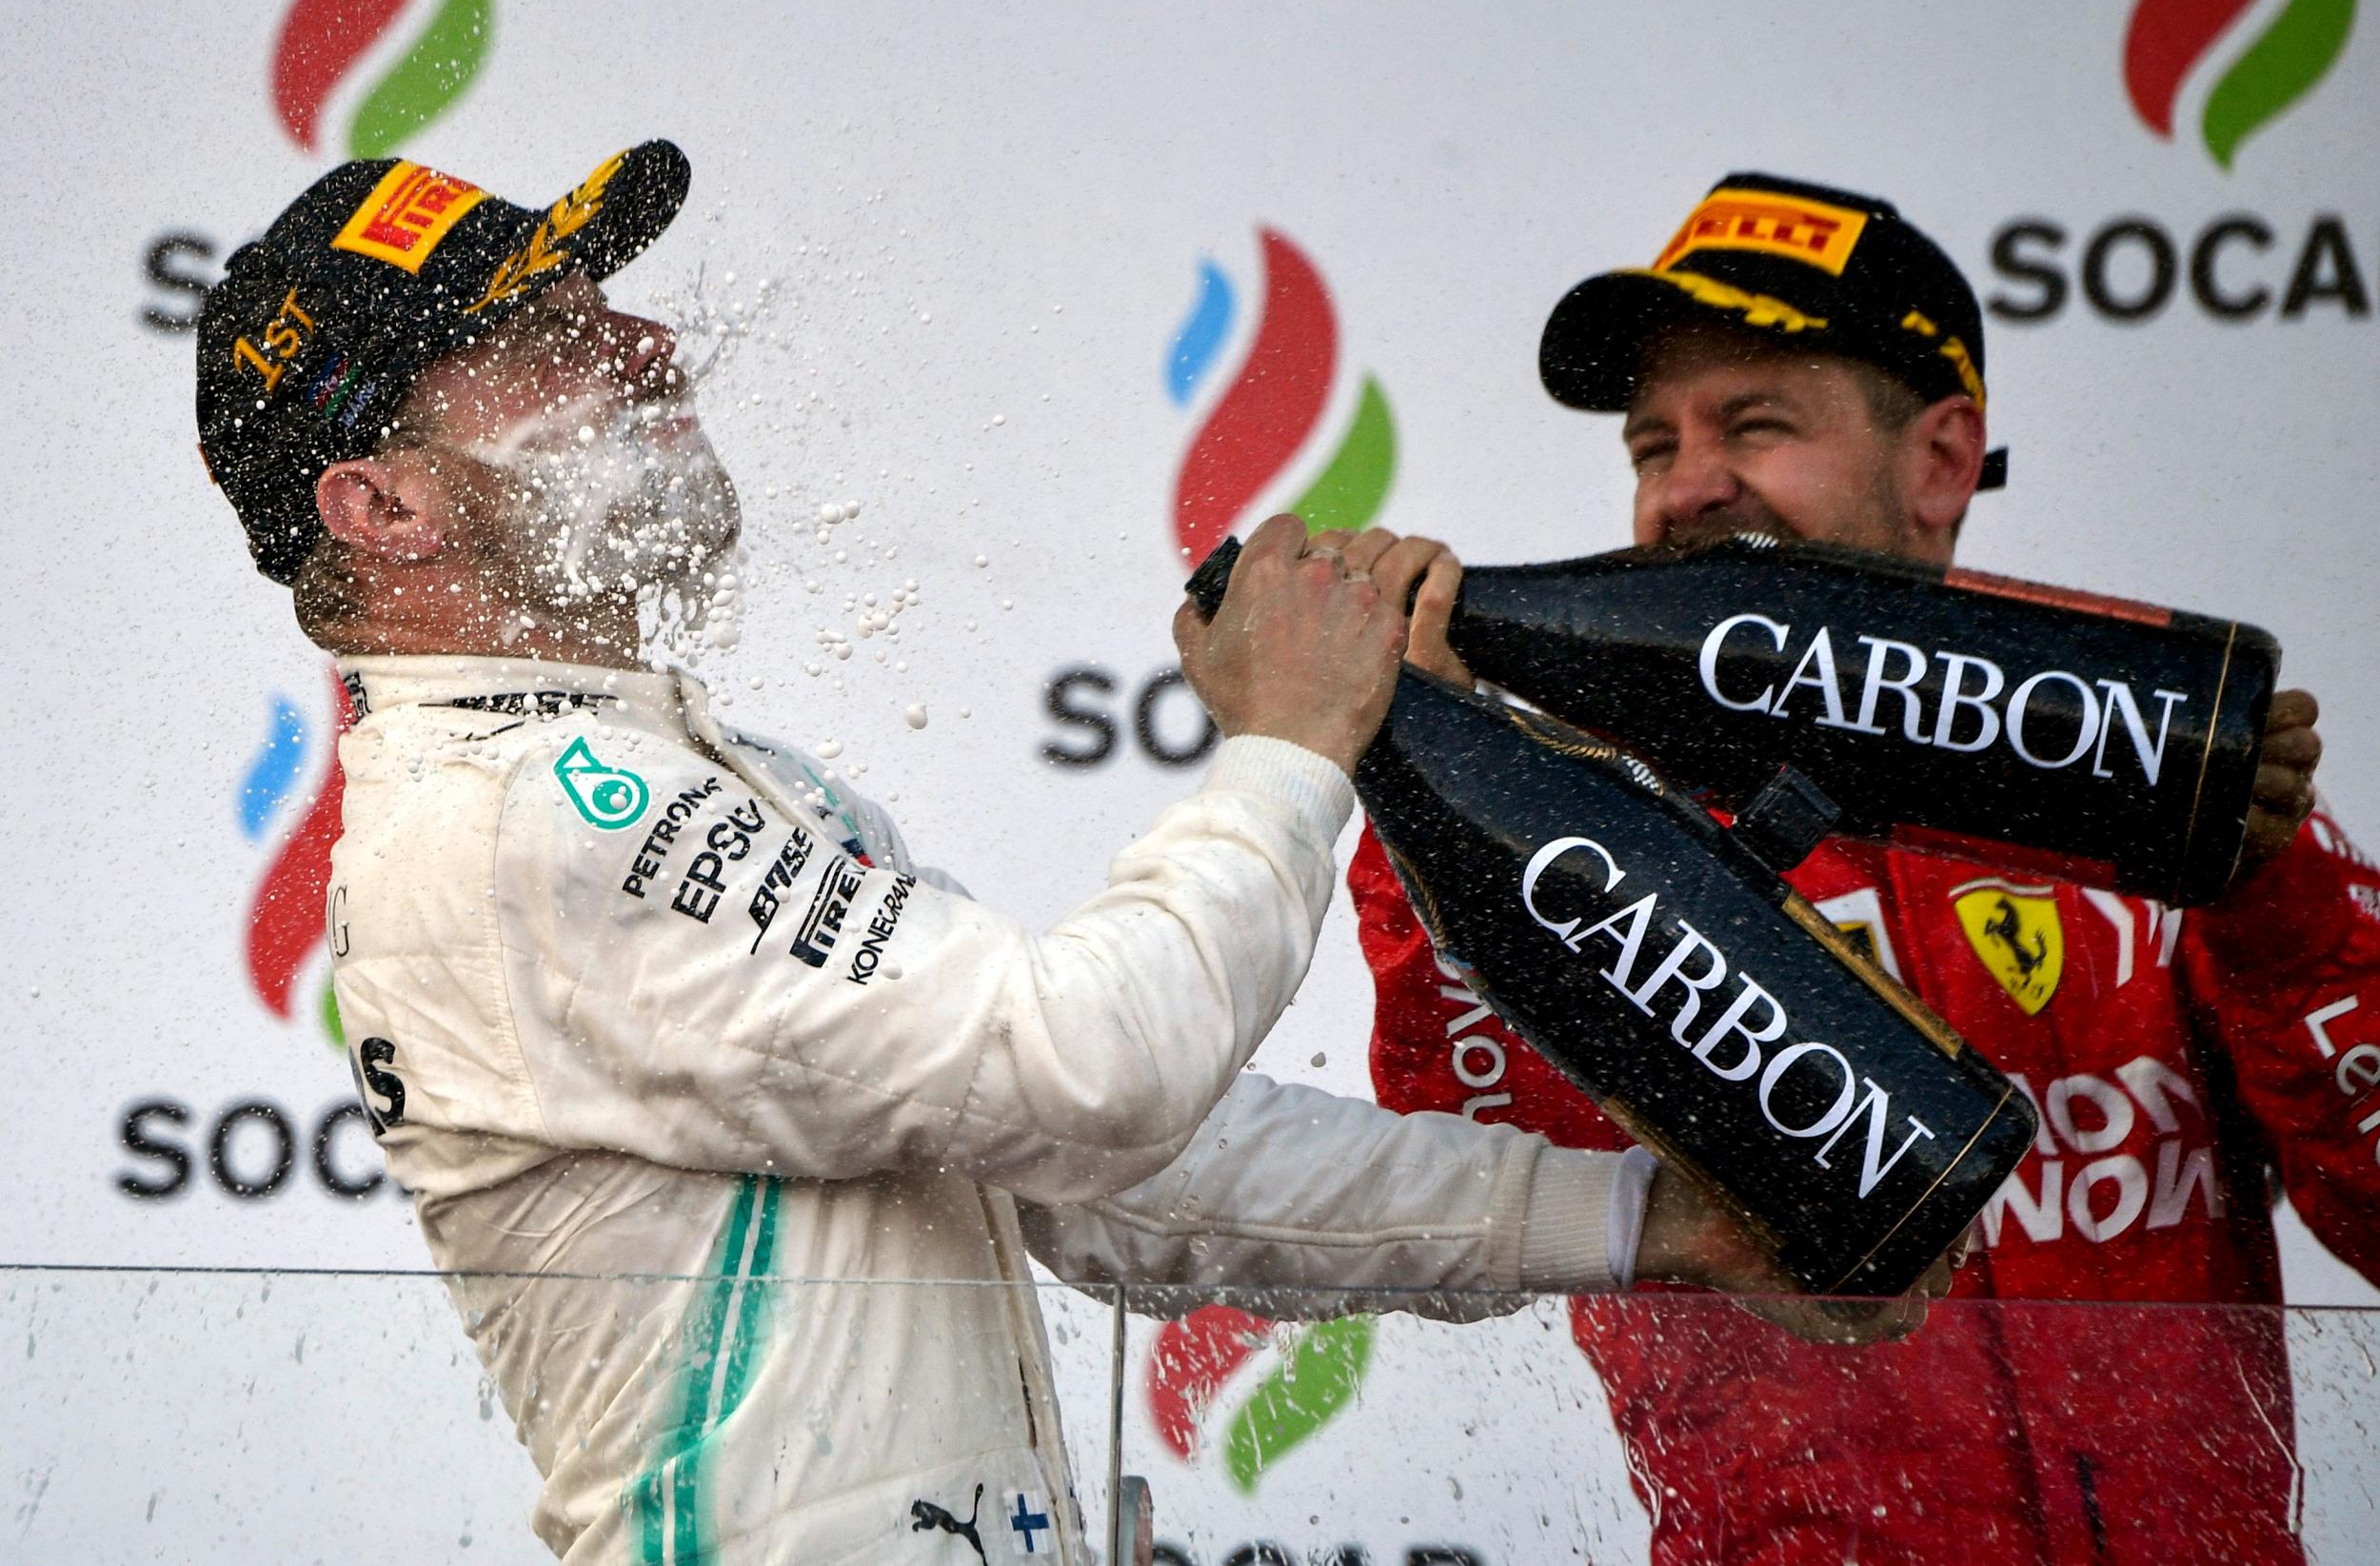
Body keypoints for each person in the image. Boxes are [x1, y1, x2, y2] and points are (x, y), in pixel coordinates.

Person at [191, 143, 1864, 1565]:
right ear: (384, 509)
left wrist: (1649, 1220)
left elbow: (1125, 1172)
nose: (643, 342)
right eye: (551, 335)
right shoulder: (523, 813)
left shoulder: (659, 768)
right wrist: (1292, 744)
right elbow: (1099, 1073)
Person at [1343, 172, 2380, 1564]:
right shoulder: (1567, 818)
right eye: (1653, 445)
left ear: (1942, 458)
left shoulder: (2163, 775)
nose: (1686, 485)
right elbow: (1489, 1187)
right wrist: (1426, 791)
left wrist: (2277, 903)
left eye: (1754, 423)